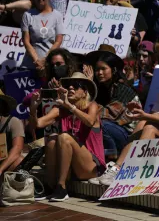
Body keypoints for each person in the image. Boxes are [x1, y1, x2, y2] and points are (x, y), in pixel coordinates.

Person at [91, 47, 159, 186]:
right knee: (142, 123)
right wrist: (141, 116)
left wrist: (145, 115)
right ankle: (117, 168)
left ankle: (130, 170)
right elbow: (156, 114)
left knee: (149, 127)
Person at [29, 73, 104, 202]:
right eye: (68, 86)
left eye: (75, 86)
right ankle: (50, 185)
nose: (70, 88)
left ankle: (61, 187)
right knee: (52, 138)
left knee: (64, 137)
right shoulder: (61, 109)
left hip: (91, 167)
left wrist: (70, 106)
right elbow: (38, 124)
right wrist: (33, 108)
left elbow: (90, 121)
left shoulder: (93, 106)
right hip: (73, 166)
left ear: (85, 92)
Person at [84, 45, 138, 162]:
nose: (99, 73)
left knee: (99, 122)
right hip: (111, 131)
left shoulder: (122, 89)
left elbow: (107, 115)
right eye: (97, 69)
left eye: (103, 69)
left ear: (113, 70)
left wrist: (88, 95)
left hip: (127, 136)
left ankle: (112, 157)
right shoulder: (100, 88)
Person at [21, 0, 65, 71]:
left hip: (50, 64)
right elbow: (26, 41)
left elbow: (58, 41)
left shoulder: (57, 15)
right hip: (30, 65)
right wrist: (37, 61)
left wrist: (45, 60)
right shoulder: (27, 15)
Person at [0, 90, 25, 176]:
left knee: (19, 161)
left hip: (5, 165)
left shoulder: (13, 122)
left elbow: (17, 148)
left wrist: (0, 169)